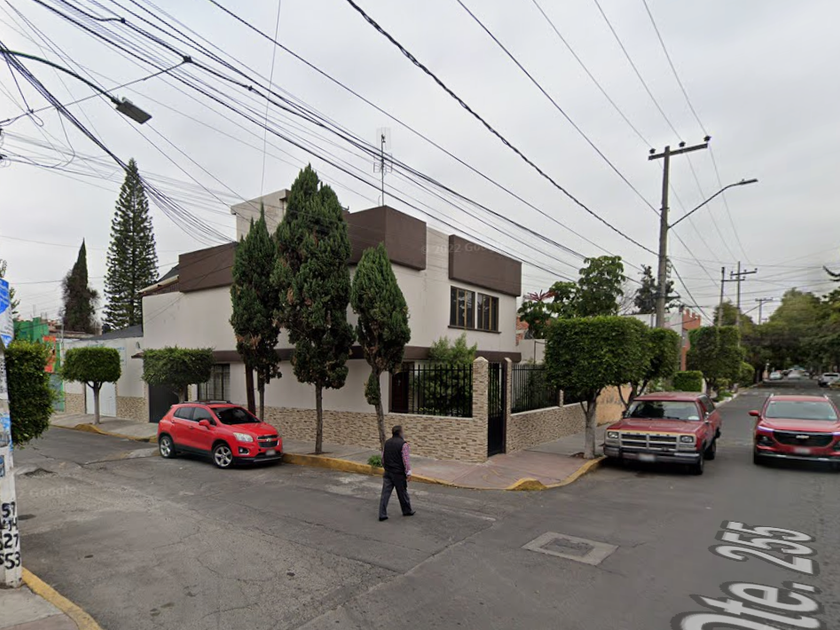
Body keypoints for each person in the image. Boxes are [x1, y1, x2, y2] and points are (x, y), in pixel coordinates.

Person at [379, 425, 415, 521]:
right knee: (402, 493)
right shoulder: (403, 445)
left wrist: (386, 467)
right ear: (400, 433)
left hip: (388, 472)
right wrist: (408, 473)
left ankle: (382, 514)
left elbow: (383, 458)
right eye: (403, 431)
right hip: (398, 474)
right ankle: (407, 510)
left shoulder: (387, 443)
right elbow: (406, 460)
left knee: (385, 494)